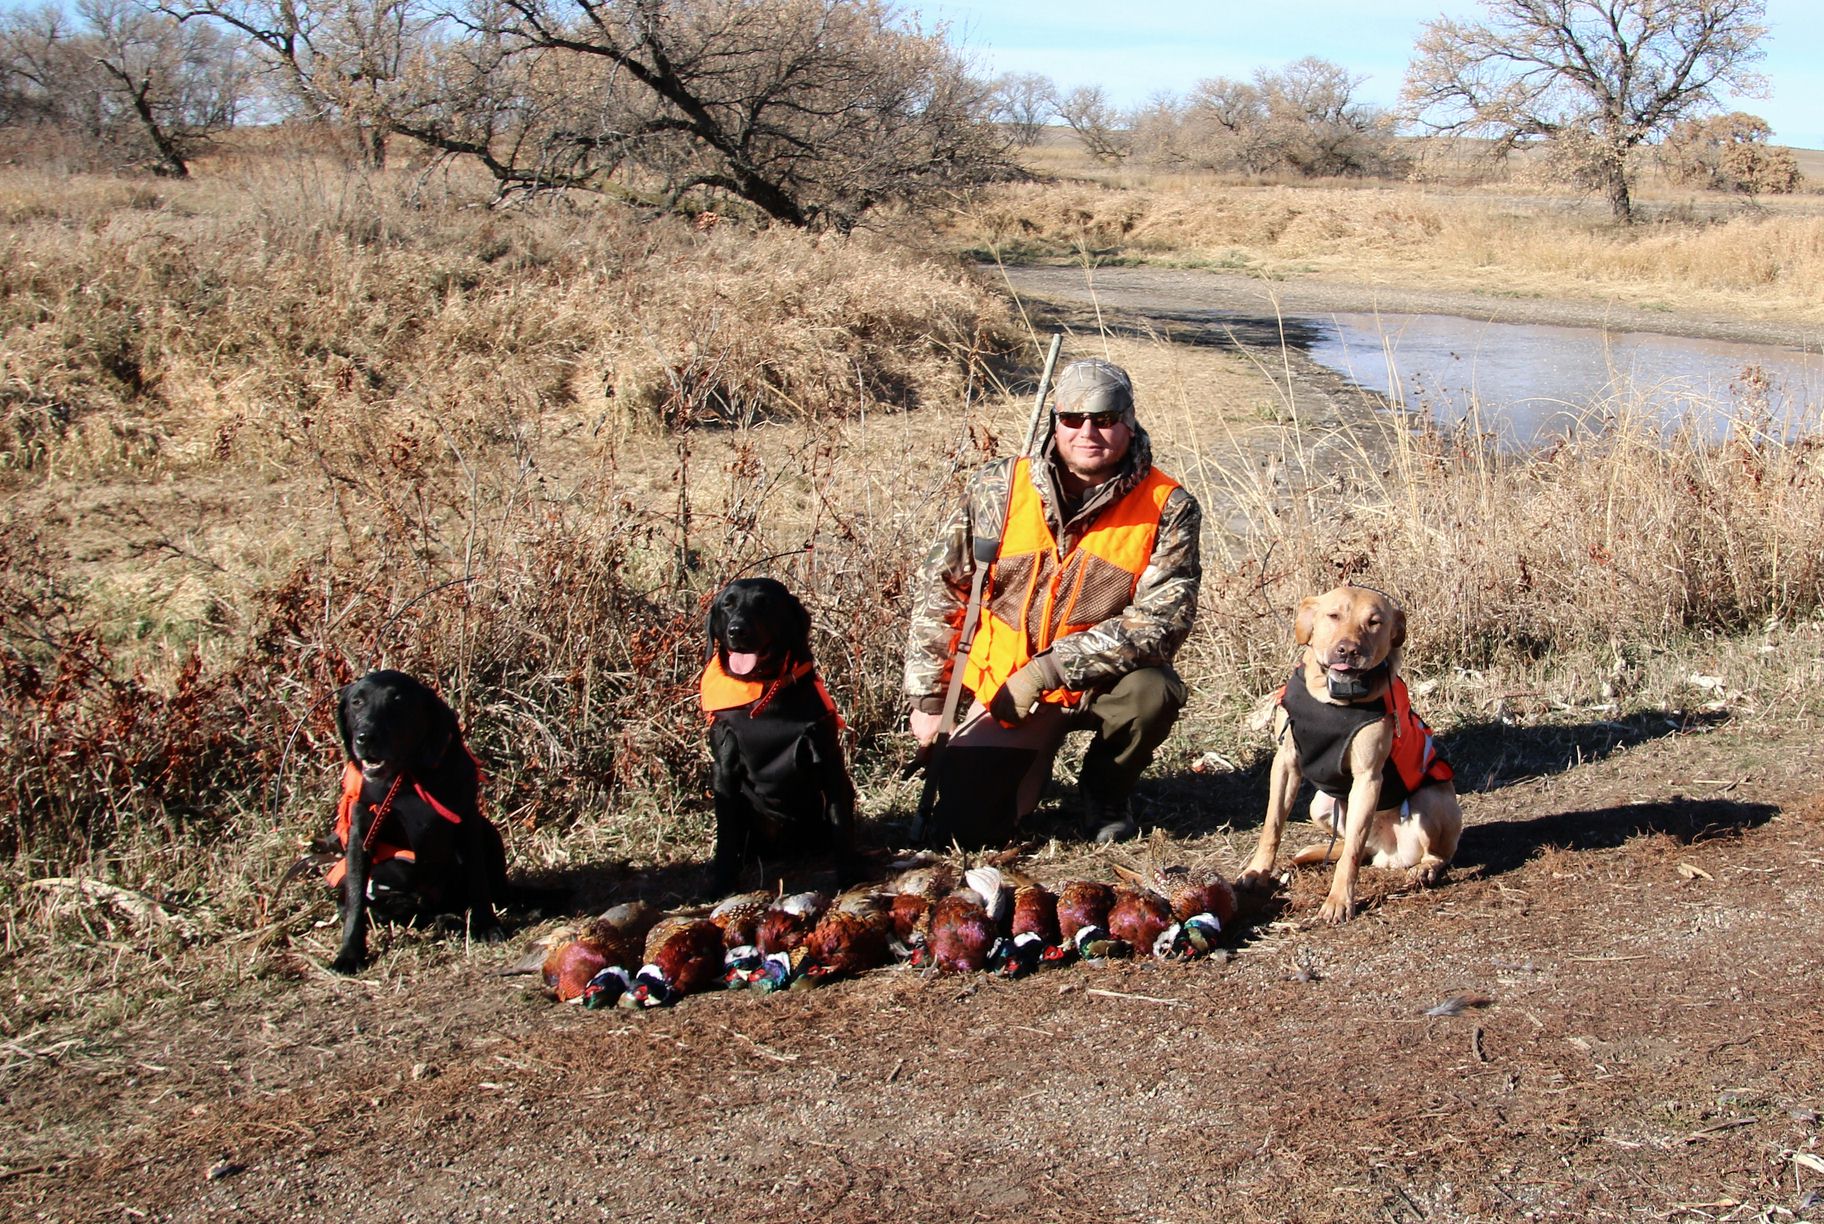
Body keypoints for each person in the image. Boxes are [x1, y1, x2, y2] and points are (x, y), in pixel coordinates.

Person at [903, 357, 1202, 845]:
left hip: (1096, 683)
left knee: (1154, 692)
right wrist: (930, 698)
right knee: (967, 832)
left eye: (1105, 419)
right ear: (1055, 422)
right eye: (1072, 419)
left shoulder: (1169, 506)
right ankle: (1023, 769)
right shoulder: (998, 486)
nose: (1088, 431)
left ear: (1129, 423)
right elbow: (942, 590)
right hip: (1003, 688)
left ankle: (1104, 794)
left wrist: (1048, 670)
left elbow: (1161, 622)